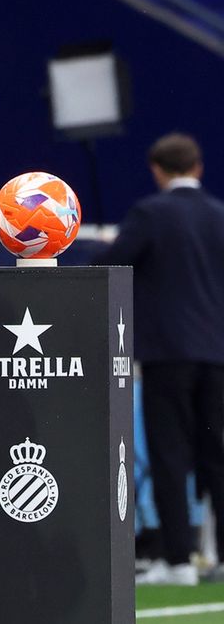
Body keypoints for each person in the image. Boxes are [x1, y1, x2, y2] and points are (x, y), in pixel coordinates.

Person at [95, 133, 224, 586]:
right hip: (218, 356)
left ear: (157, 170)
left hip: (168, 355)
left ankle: (180, 561)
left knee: (170, 455)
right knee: (219, 456)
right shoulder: (220, 216)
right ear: (198, 167)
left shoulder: (150, 214)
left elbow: (110, 264)